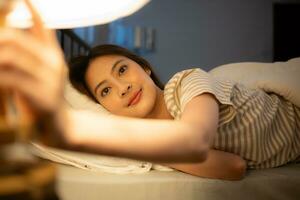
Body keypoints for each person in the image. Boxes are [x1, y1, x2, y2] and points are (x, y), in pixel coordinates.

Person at [0, 0, 299, 181]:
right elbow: (233, 167)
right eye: (105, 91)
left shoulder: (186, 83)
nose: (123, 86)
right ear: (106, 109)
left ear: (143, 68)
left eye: (122, 70)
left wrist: (67, 128)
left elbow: (196, 141)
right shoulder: (158, 145)